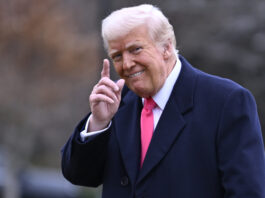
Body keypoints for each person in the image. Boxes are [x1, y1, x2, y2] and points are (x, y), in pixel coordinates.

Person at [61, 4, 265, 198]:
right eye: (117, 56)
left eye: (135, 49)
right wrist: (98, 123)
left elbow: (247, 192)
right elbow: (78, 175)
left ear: (166, 47)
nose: (127, 64)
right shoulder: (114, 104)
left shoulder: (226, 101)